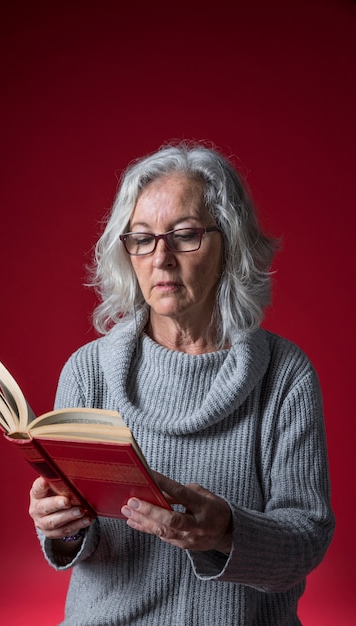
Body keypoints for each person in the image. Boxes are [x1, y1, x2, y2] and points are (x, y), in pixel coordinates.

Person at [29, 141, 334, 625]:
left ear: (229, 243)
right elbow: (78, 545)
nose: (161, 257)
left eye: (185, 234)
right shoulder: (87, 371)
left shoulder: (285, 375)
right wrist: (59, 527)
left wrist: (228, 532)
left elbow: (307, 541)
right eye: (142, 238)